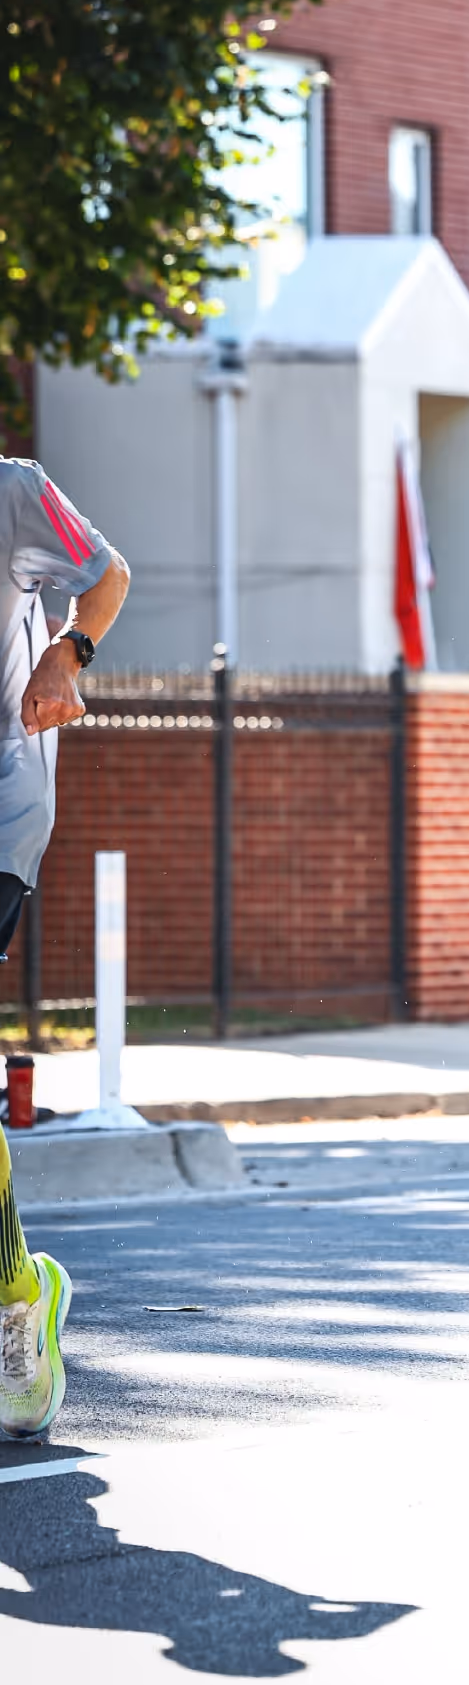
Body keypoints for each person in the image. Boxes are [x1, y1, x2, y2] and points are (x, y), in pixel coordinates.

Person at [0, 458, 129, 1441]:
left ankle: (10, 1312)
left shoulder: (12, 490)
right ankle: (17, 1295)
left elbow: (108, 572)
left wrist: (66, 654)